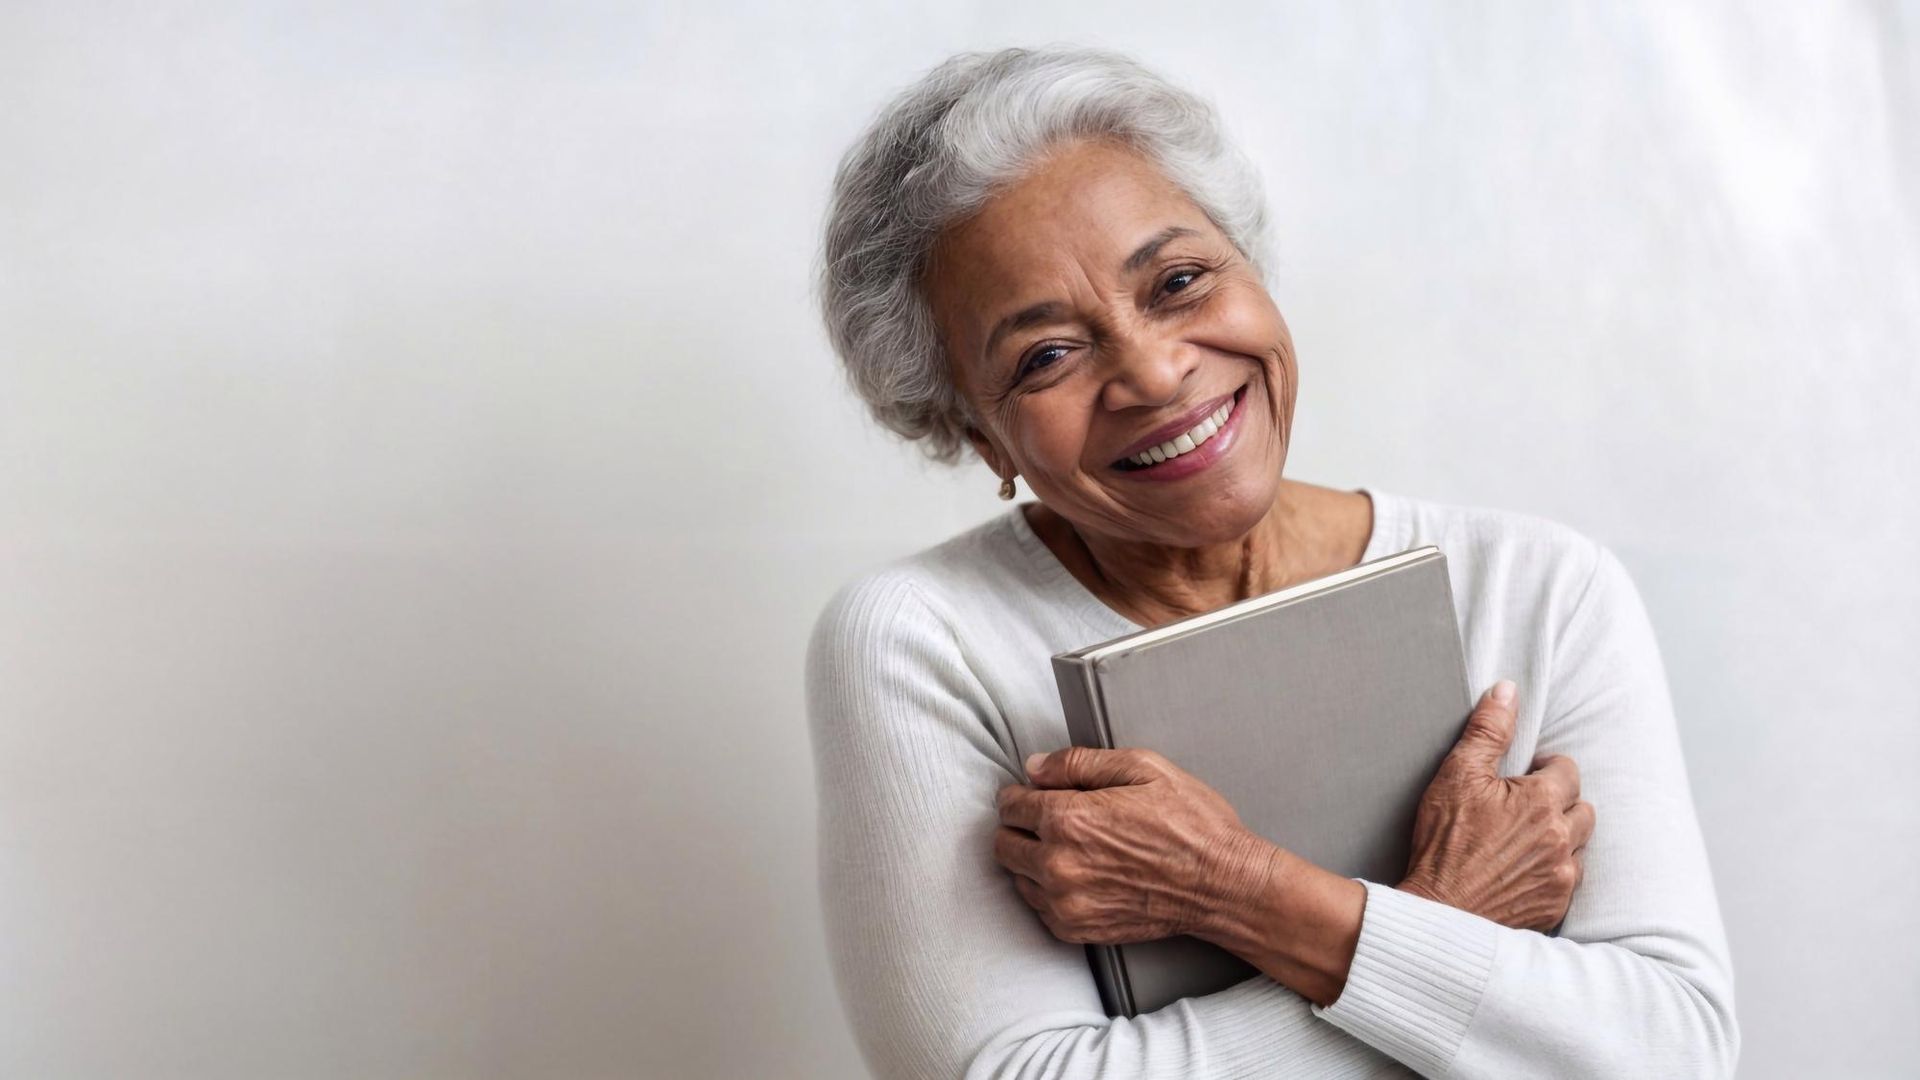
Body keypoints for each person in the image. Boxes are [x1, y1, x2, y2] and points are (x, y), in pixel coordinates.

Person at [804, 45, 1737, 1079]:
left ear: (1249, 267)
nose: (1156, 373)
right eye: (1047, 355)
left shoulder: (1540, 587)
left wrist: (1235, 889)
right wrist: (1452, 918)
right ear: (980, 438)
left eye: (1178, 282)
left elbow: (1674, 1052)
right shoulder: (925, 639)